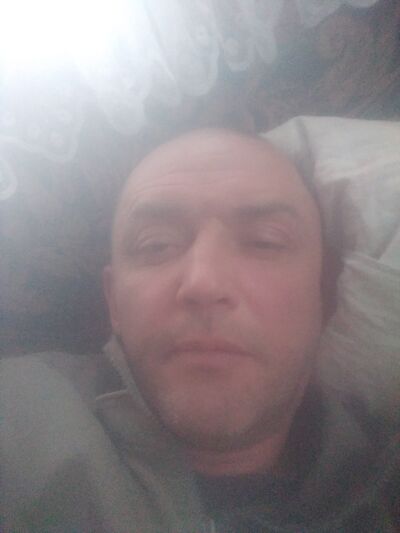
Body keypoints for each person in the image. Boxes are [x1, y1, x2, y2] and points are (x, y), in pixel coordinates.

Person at [1, 129, 399, 532]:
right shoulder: (20, 419)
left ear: (324, 293)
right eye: (156, 245)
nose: (203, 283)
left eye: (265, 242)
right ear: (114, 301)